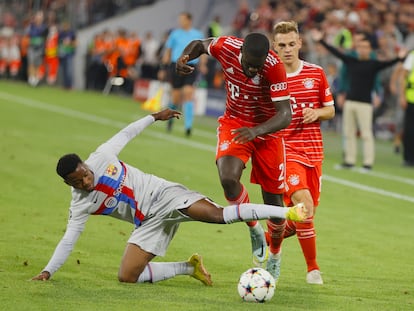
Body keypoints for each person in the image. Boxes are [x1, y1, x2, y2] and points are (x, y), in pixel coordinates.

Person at [31, 108, 307, 284]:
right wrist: (48, 271)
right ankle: (190, 268)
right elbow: (69, 239)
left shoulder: (101, 157)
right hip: (147, 223)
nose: (87, 181)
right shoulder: (79, 204)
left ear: (84, 165)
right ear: (69, 182)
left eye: (86, 174)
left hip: (165, 196)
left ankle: (285, 213)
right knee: (127, 276)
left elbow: (126, 134)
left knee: (220, 216)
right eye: (80, 182)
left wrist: (153, 117)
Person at [176, 33, 292, 268]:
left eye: (257, 66)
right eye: (249, 64)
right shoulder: (226, 46)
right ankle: (254, 229)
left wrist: (257, 130)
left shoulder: (273, 68)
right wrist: (185, 57)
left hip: (267, 132)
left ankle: (276, 256)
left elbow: (285, 114)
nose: (253, 70)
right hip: (236, 123)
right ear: (241, 53)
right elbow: (200, 44)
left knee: (274, 205)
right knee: (228, 178)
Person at [271, 21, 335, 285]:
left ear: (299, 43)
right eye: (281, 45)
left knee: (301, 219)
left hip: (314, 153)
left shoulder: (316, 73)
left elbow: (330, 110)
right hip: (286, 153)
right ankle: (313, 270)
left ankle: (269, 243)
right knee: (304, 206)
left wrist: (316, 112)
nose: (287, 49)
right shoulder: (270, 79)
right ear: (274, 47)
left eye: (291, 44)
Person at [311, 29, 407, 171]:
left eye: (365, 47)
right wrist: (320, 41)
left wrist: (400, 58)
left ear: (369, 49)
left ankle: (368, 163)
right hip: (350, 101)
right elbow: (336, 52)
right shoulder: (351, 60)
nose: (363, 49)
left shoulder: (373, 64)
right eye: (360, 47)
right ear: (357, 48)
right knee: (348, 132)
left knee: (366, 134)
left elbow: (389, 63)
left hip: (365, 103)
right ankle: (349, 161)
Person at [158, 12, 206, 136]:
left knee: (188, 94)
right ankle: (170, 119)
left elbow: (203, 51)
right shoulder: (175, 34)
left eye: (182, 19)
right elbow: (168, 51)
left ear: (189, 20)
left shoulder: (198, 34)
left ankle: (188, 127)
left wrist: (203, 65)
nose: (180, 21)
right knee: (176, 97)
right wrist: (163, 68)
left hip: (191, 66)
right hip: (176, 65)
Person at [398, 50, 414, 167]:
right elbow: (403, 76)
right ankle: (408, 157)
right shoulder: (412, 56)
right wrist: (402, 95)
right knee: (409, 129)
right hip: (411, 98)